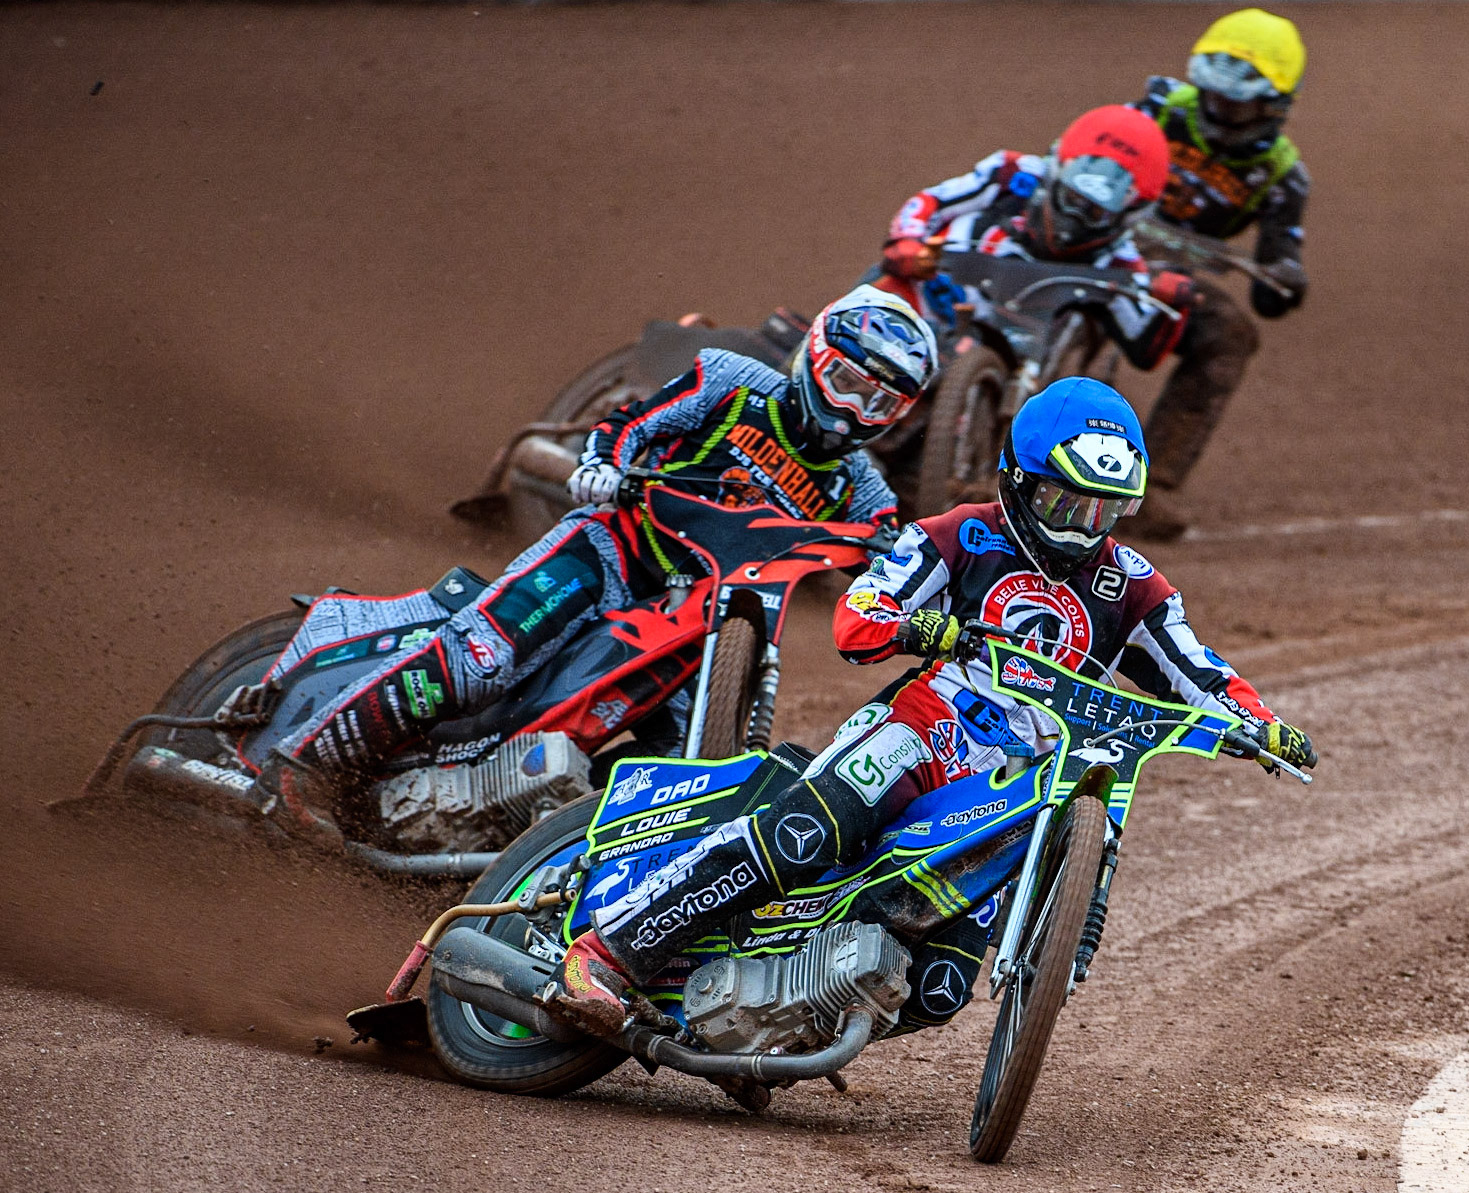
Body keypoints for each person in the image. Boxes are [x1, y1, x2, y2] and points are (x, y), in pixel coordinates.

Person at [548, 376, 1317, 1037]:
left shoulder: (1135, 585)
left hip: (1022, 784)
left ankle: (784, 1028)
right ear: (1018, 477)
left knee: (941, 986)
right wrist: (912, 622)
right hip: (926, 730)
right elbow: (858, 613)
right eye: (1065, 501)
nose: (1082, 527)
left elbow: (1199, 670)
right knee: (807, 828)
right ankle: (608, 952)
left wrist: (1258, 724)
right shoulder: (958, 535)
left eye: (1102, 510)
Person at [252, 286, 939, 835]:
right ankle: (305, 765)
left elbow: (896, 559)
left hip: (699, 622)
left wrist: (932, 604)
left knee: (679, 776)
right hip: (610, 550)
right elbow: (632, 424)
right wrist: (602, 465)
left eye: (882, 401)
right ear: (818, 355)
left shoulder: (861, 487)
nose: (856, 410)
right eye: (849, 381)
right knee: (480, 662)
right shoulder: (734, 381)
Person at [1126, 7, 1312, 538]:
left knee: (1231, 332)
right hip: (1091, 251)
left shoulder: (1282, 176)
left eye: (1236, 102)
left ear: (1275, 106)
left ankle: (1152, 483)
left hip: (1171, 279)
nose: (1220, 109)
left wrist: (1284, 277)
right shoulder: (1157, 110)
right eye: (1212, 95)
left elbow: (1274, 285)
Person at [876, 105, 1198, 377]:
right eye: (1072, 197)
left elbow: (1144, 346)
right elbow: (934, 201)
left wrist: (1173, 302)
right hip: (933, 300)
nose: (1075, 218)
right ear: (1057, 172)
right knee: (878, 293)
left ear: (1129, 214)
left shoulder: (1118, 260)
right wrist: (907, 239)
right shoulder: (1012, 174)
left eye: (1096, 212)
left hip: (1013, 356)